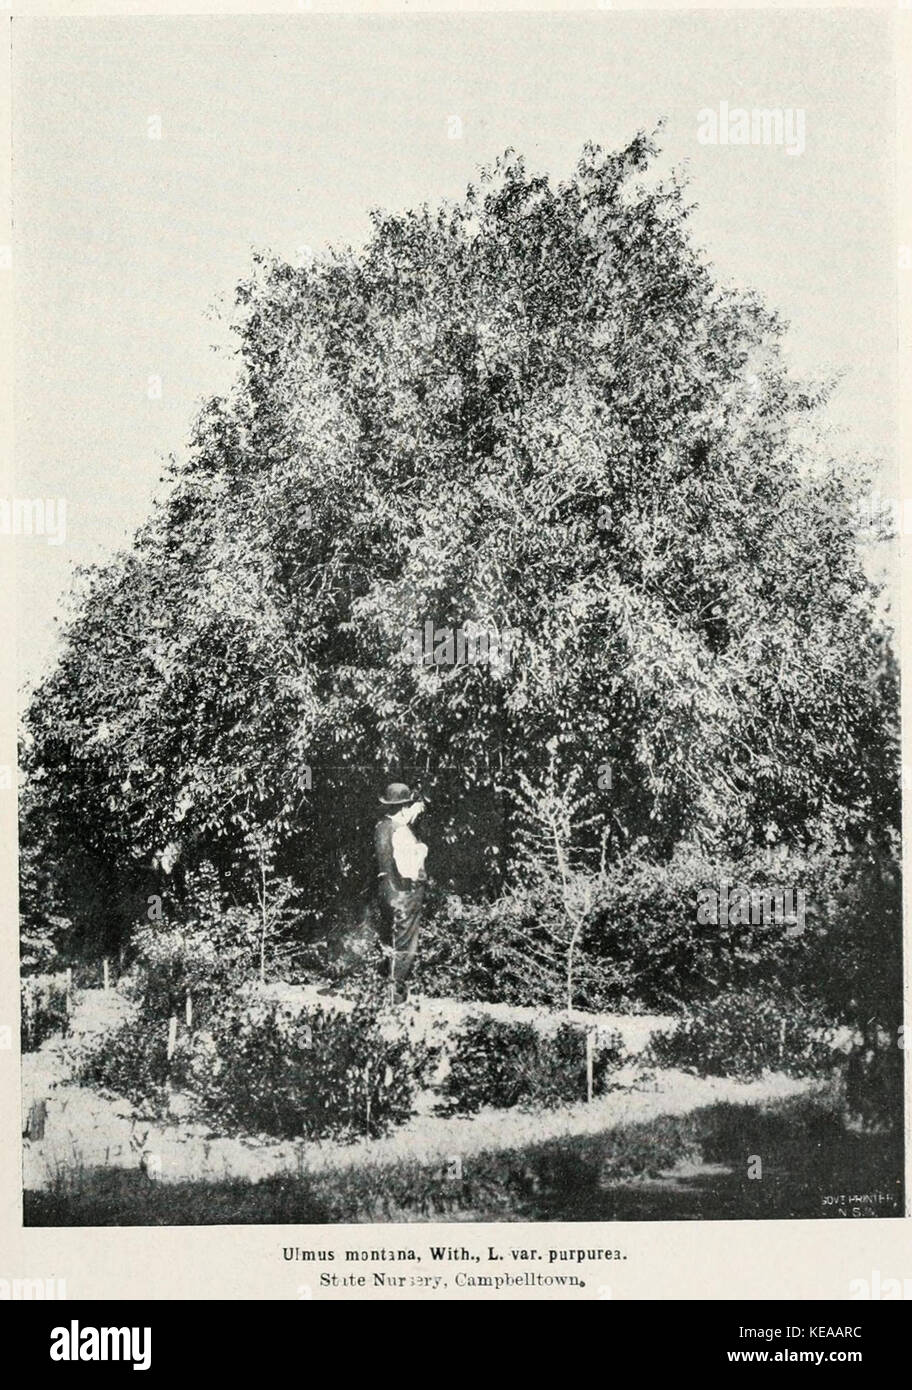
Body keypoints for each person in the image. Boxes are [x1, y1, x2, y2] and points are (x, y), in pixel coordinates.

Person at [374, 783, 428, 1004]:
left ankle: (382, 989)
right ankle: (394, 996)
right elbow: (408, 869)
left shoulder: (382, 826)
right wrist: (421, 851)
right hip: (404, 894)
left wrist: (412, 815)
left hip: (386, 892)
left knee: (389, 941)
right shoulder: (403, 832)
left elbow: (397, 834)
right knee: (405, 946)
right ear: (405, 807)